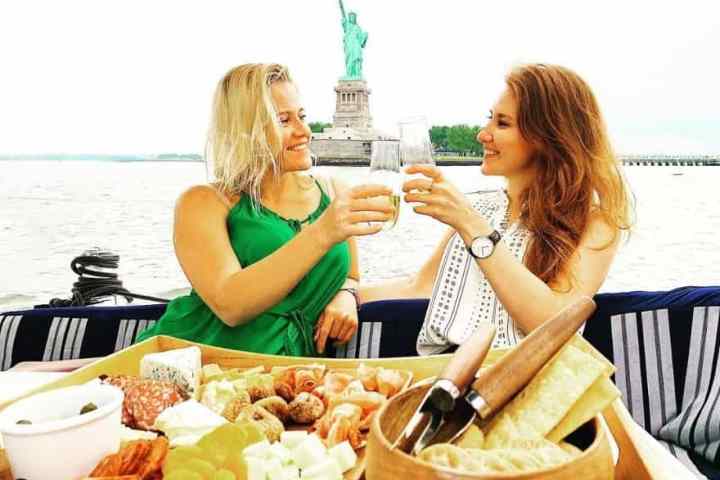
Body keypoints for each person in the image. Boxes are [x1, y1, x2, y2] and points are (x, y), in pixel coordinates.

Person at [361, 64, 634, 354]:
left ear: (548, 137)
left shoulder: (597, 222)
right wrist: (341, 294)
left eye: (502, 124)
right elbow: (418, 287)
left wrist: (474, 229)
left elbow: (554, 324)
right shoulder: (478, 207)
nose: (482, 134)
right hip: (452, 374)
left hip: (528, 387)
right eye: (490, 119)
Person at [137, 63, 394, 356]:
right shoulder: (203, 202)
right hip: (189, 367)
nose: (305, 131)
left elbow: (351, 276)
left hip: (283, 380)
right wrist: (323, 232)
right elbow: (230, 304)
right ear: (245, 131)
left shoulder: (334, 193)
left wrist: (346, 295)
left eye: (302, 116)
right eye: (283, 121)